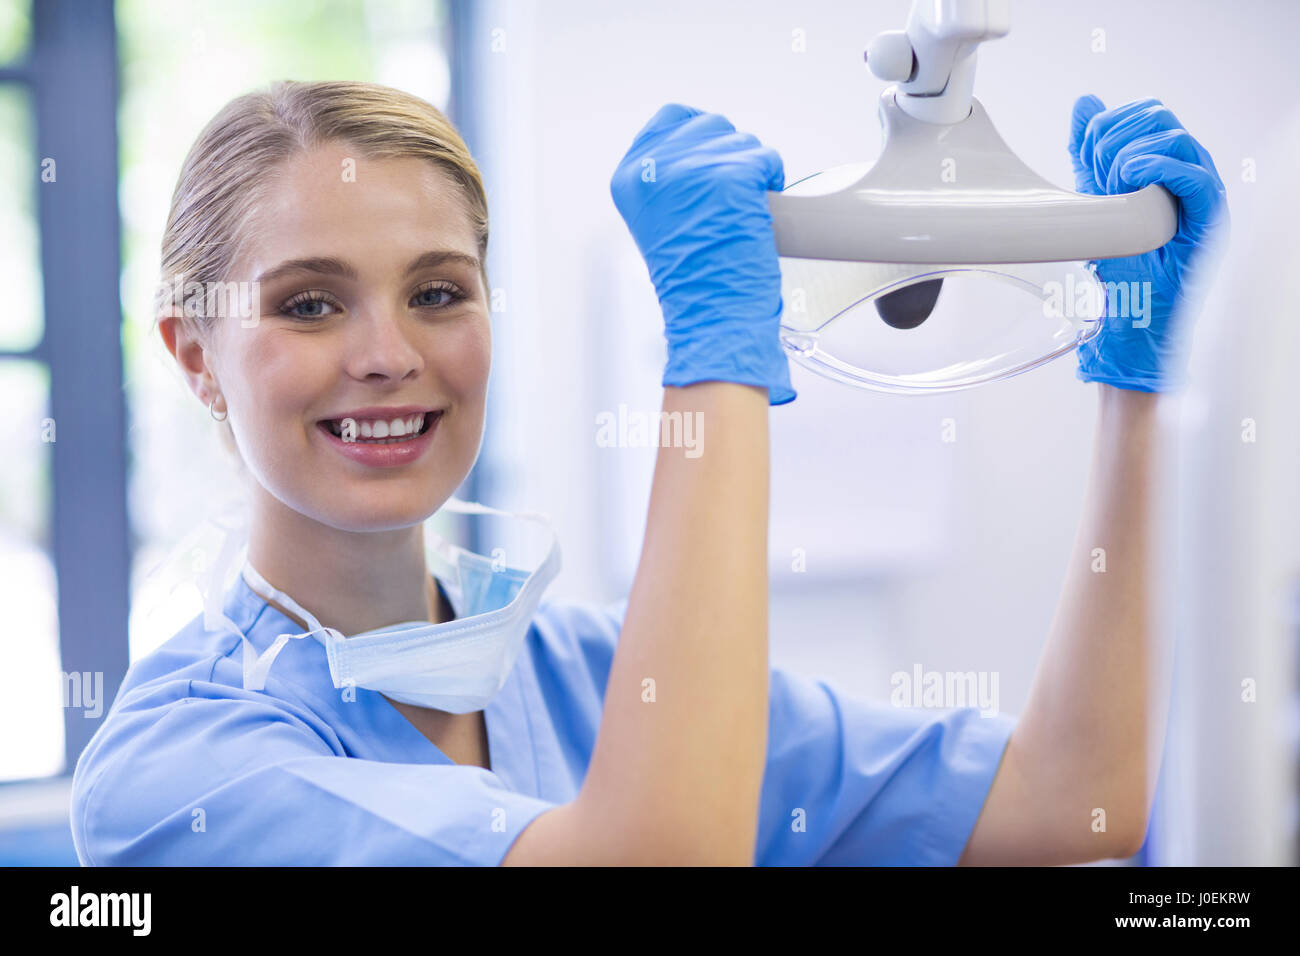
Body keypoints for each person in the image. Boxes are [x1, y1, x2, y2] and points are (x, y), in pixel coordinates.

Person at [70, 81, 1225, 866]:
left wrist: (1143, 380)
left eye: (437, 292)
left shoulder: (586, 674)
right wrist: (715, 357)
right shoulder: (175, 773)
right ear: (195, 356)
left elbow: (1076, 793)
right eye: (309, 303)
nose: (388, 355)